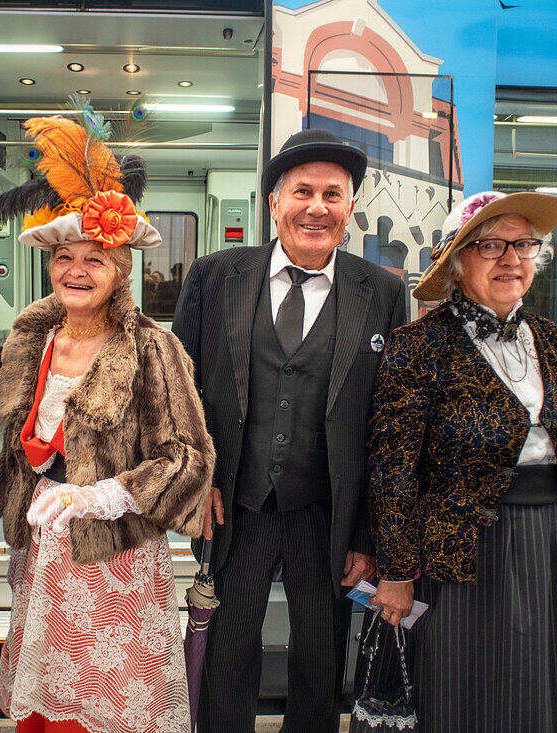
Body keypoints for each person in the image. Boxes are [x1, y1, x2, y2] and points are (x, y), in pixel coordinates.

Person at [173, 129, 407, 733]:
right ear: (274, 203)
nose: (317, 206)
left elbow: (388, 422)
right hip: (236, 507)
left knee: (320, 662)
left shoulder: (381, 292)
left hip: (328, 513)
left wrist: (368, 533)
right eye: (302, 190)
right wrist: (196, 487)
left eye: (334, 193)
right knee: (229, 653)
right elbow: (180, 394)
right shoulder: (214, 276)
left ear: (351, 209)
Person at [0, 113, 215, 733]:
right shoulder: (30, 341)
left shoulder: (151, 348)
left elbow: (189, 459)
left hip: (115, 561)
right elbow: (21, 449)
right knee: (46, 705)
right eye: (65, 257)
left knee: (111, 710)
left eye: (95, 258)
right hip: (41, 558)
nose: (77, 271)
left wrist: (101, 496)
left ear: (121, 270)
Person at [369, 191, 557, 732]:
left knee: (539, 693)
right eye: (491, 245)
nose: (511, 259)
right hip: (458, 555)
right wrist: (398, 572)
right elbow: (393, 471)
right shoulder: (418, 347)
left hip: (550, 543)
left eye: (523, 244)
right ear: (458, 261)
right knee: (462, 690)